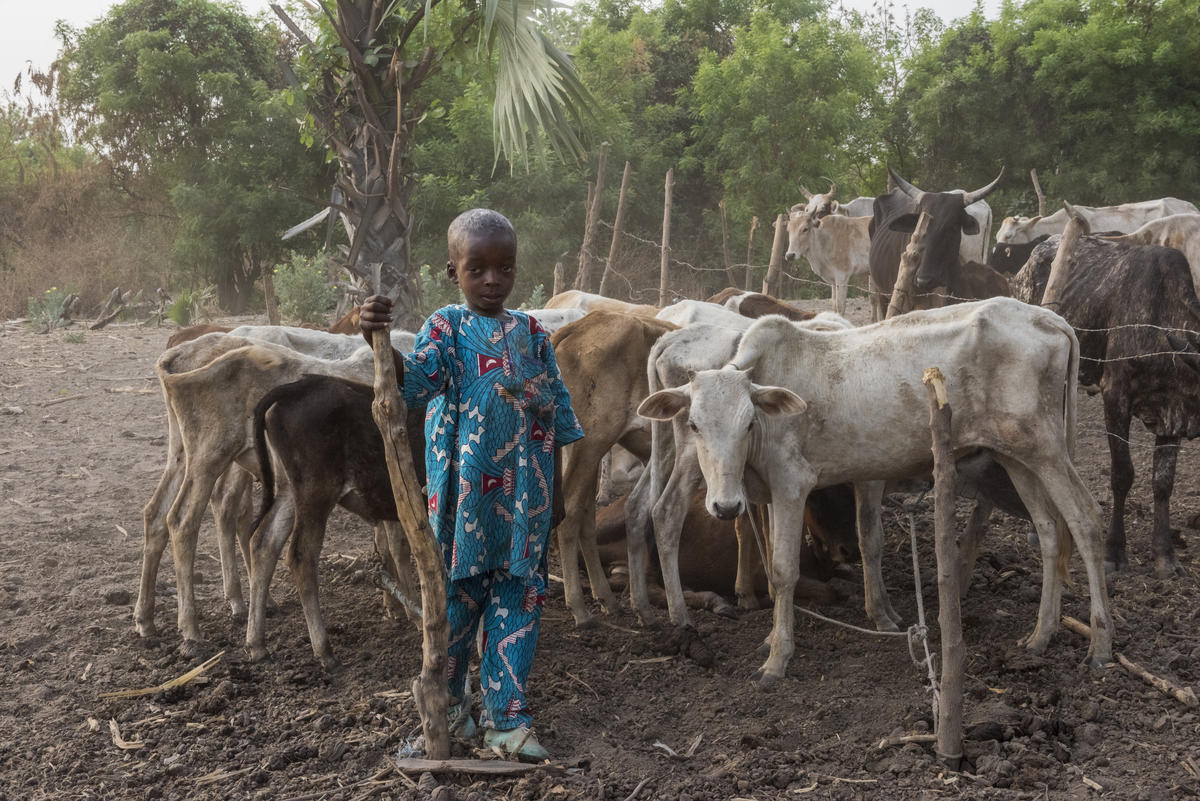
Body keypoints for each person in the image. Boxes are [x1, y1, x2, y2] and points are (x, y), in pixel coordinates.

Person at [360, 208, 583, 762]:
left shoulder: (533, 334)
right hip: (463, 508)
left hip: (524, 505)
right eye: (477, 268)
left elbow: (554, 417)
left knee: (518, 604)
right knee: (455, 610)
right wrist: (377, 340)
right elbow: (410, 386)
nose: (492, 280)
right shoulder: (447, 328)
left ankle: (507, 719)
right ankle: (452, 714)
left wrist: (553, 497)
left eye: (503, 268)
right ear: (452, 270)